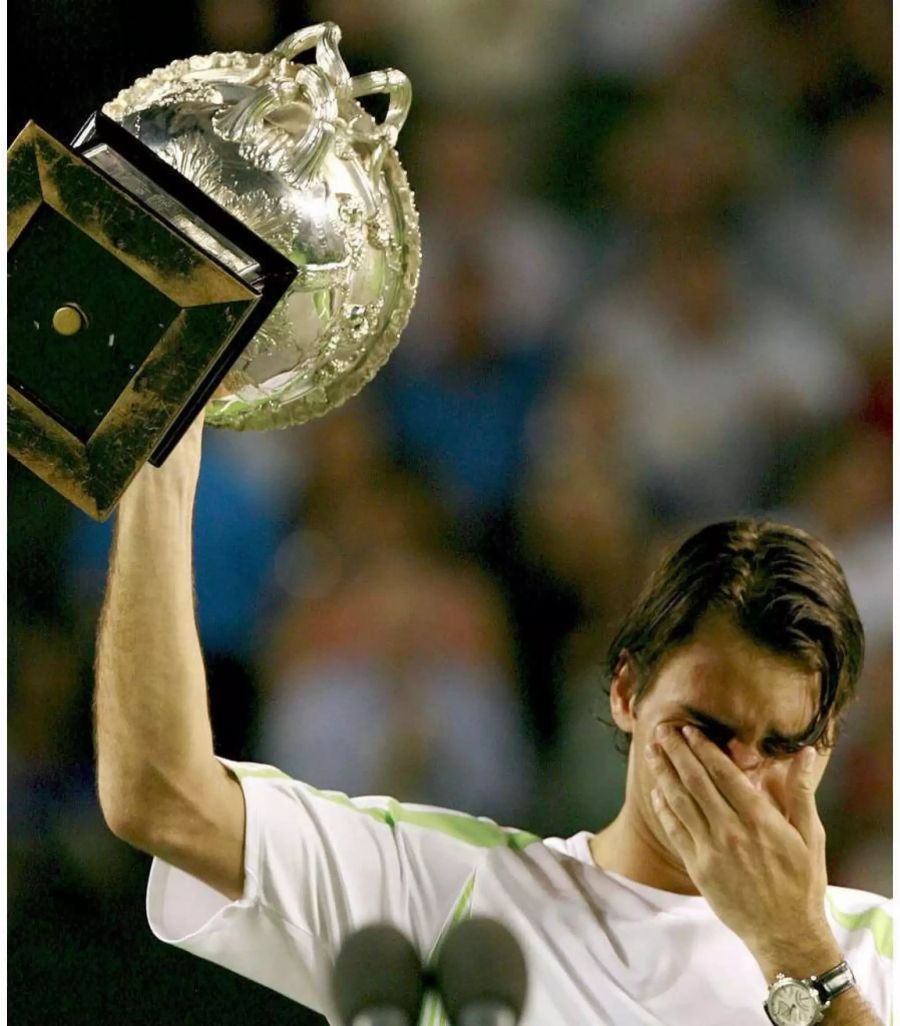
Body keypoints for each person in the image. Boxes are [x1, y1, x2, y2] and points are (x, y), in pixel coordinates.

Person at [95, 415, 891, 1025]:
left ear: (826, 746)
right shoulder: (452, 889)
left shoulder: (878, 950)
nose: (740, 775)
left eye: (782, 745)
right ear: (625, 691)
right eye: (708, 732)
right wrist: (158, 465)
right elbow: (160, 796)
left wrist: (801, 956)